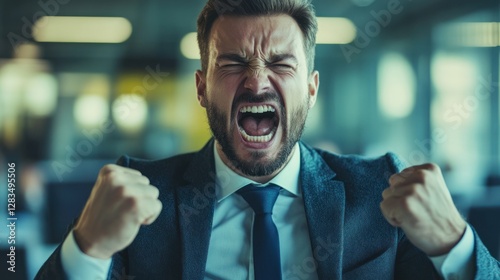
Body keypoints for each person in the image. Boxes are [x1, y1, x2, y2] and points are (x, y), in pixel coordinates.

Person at [36, 0, 500, 279]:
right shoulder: (142, 200)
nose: (257, 83)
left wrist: (454, 245)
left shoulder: (379, 191)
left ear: (312, 88)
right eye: (233, 63)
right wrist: (87, 249)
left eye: (281, 63)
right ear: (201, 87)